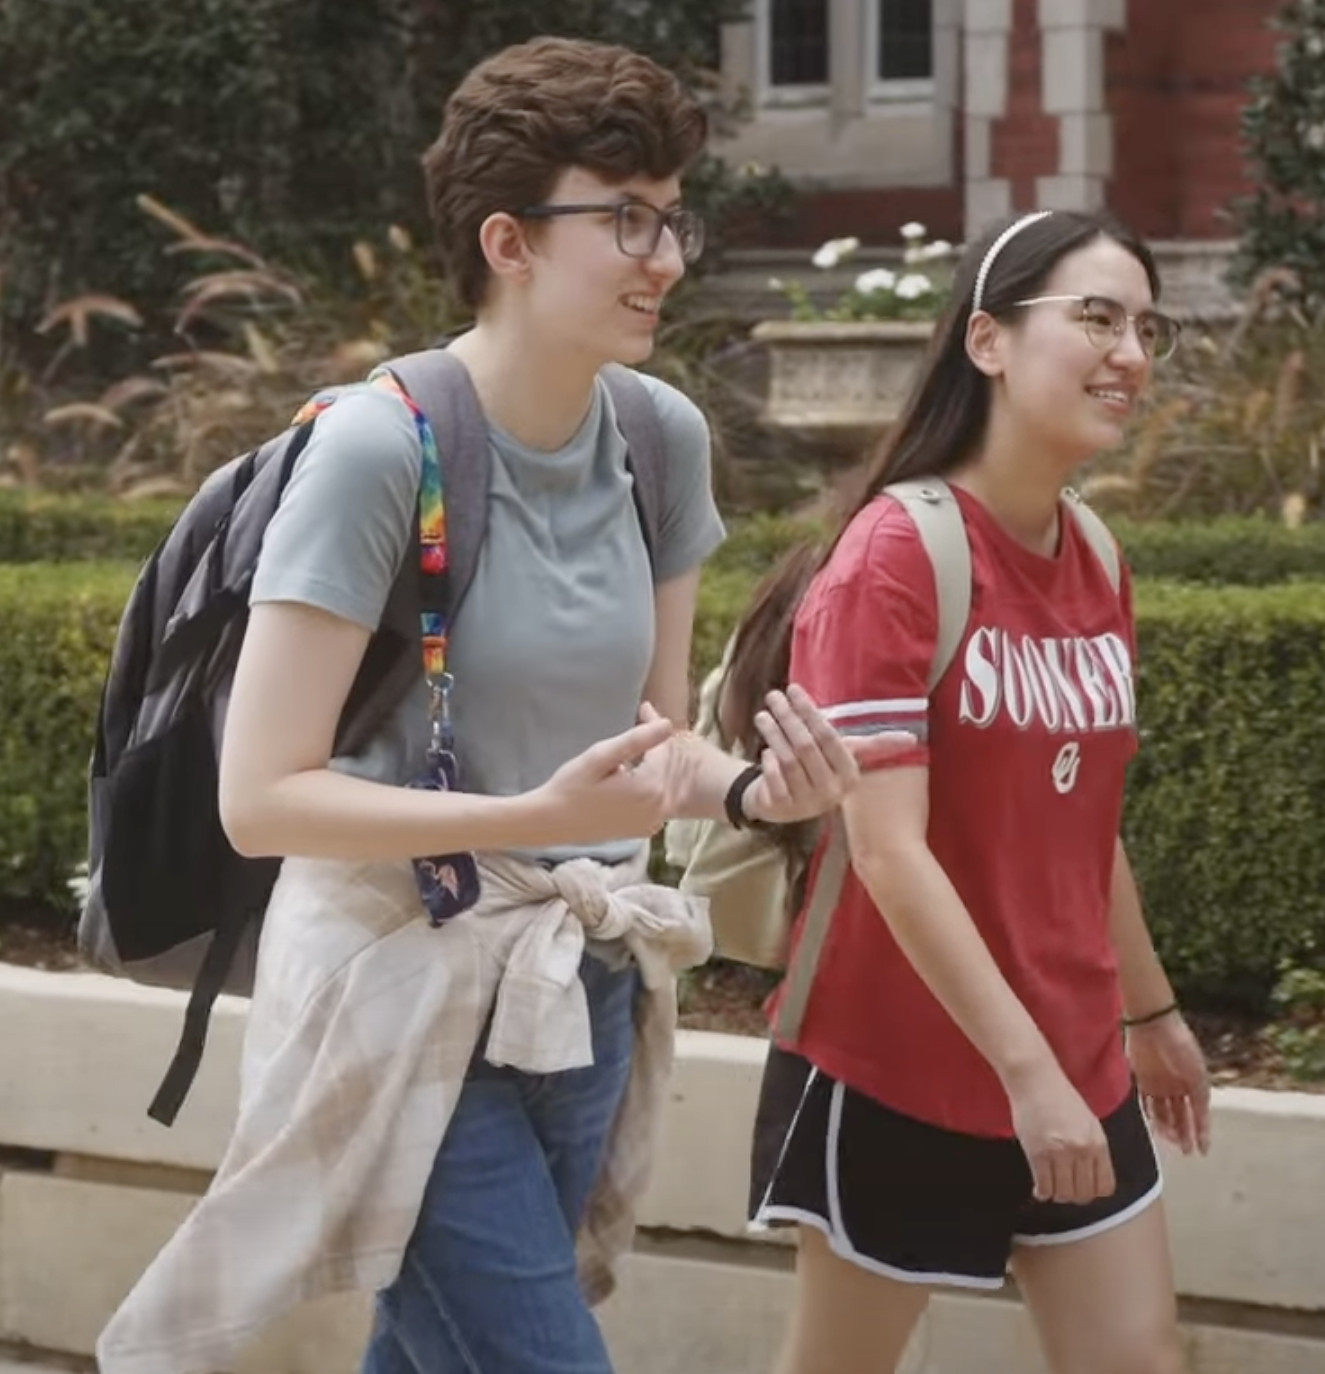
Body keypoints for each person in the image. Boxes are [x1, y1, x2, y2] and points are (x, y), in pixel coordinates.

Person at [93, 37, 909, 1374]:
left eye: (673, 216)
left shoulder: (657, 438)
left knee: (431, 1351)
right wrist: (531, 811)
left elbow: (649, 754)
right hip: (391, 980)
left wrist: (757, 790)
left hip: (578, 980)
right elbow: (261, 796)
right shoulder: (379, 449)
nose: (666, 255)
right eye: (625, 218)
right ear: (507, 241)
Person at [721, 209, 1214, 1374]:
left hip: (1074, 1057)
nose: (1130, 353)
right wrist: (1026, 1075)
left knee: (1139, 1361)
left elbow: (1082, 825)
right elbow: (887, 852)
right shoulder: (894, 556)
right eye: (1095, 317)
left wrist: (1149, 1015)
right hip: (901, 1065)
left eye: (1148, 327)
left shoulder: (1094, 554)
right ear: (986, 341)